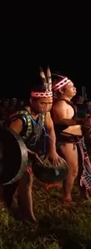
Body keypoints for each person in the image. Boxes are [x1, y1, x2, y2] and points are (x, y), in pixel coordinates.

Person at [1, 68, 60, 221]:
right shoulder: (21, 118)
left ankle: (24, 213)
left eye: (49, 103)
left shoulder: (44, 114)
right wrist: (27, 152)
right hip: (13, 151)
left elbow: (51, 129)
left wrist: (52, 150)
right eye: (43, 103)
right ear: (32, 100)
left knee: (24, 183)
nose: (47, 107)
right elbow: (9, 140)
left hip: (27, 152)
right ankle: (24, 214)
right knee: (21, 182)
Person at [51, 73, 91, 204]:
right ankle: (67, 197)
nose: (74, 89)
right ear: (62, 90)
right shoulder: (60, 104)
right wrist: (81, 121)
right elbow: (60, 120)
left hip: (76, 141)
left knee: (81, 169)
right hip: (66, 141)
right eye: (71, 86)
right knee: (73, 169)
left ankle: (84, 193)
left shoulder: (68, 103)